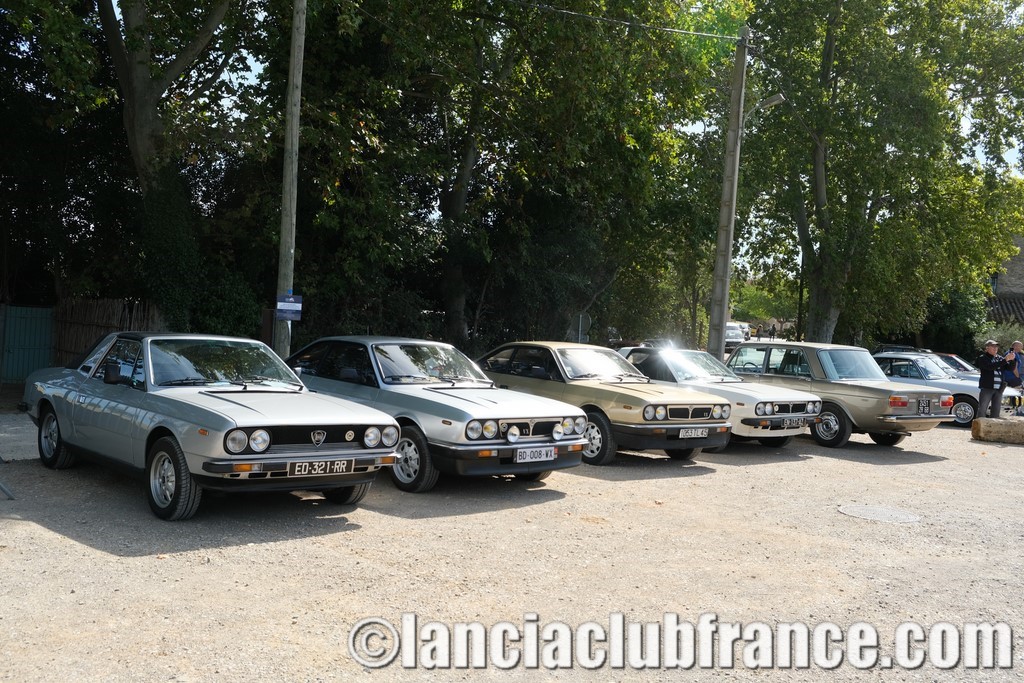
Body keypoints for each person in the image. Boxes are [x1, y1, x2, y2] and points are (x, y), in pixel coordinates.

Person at [975, 340, 1016, 418]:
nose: (995, 348)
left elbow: (1010, 368)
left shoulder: (999, 358)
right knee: (982, 409)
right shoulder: (982, 358)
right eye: (993, 346)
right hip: (987, 387)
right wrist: (1005, 360)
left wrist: (1012, 360)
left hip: (999, 388)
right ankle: (979, 424)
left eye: (996, 346)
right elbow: (990, 367)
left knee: (996, 410)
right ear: (987, 348)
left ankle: (993, 425)